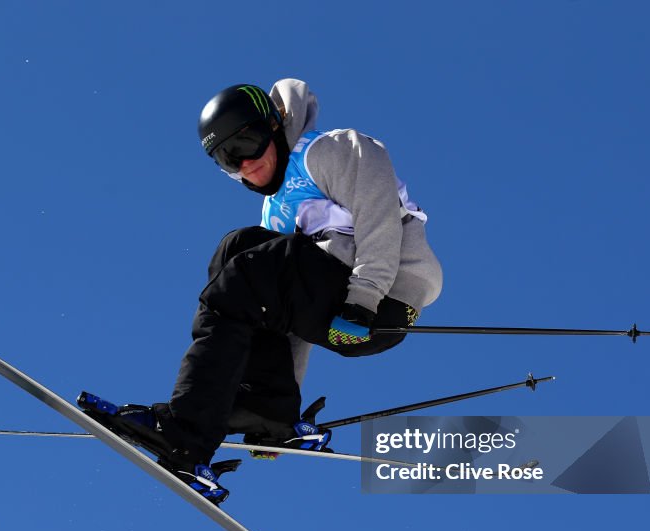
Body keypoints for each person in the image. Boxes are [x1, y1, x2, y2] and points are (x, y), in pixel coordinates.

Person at [80, 78, 442, 505]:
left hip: (385, 301)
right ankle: (264, 404)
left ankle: (185, 432)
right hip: (338, 305)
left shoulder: (330, 151)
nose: (245, 164)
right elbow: (280, 312)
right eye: (227, 159)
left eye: (248, 143)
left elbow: (378, 218)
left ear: (273, 127)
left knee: (254, 265)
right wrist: (279, 417)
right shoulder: (275, 211)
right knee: (239, 249)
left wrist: (364, 300)